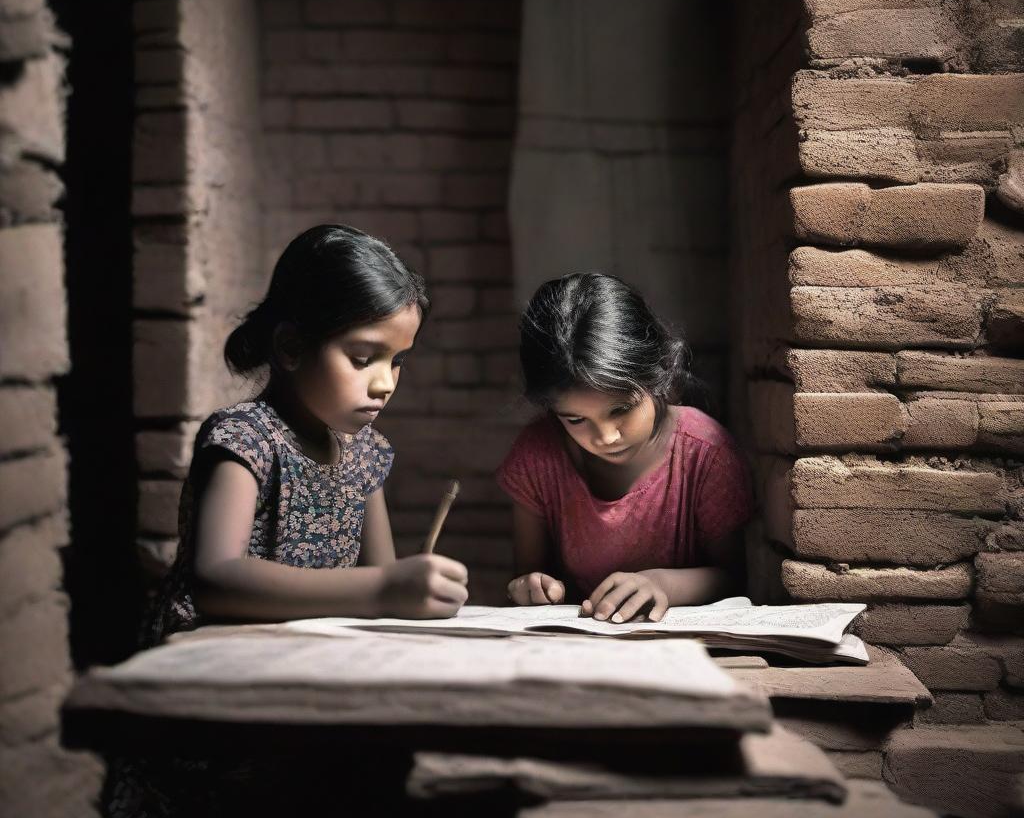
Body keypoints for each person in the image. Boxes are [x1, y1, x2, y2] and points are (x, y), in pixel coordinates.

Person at [144, 223, 469, 646]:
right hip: (212, 653)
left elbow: (379, 578)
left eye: (397, 361)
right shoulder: (245, 440)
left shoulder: (364, 453)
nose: (385, 383)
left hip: (307, 652)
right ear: (291, 347)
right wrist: (384, 589)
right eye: (363, 358)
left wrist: (411, 592)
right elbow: (216, 577)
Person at [497, 272, 753, 624]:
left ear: (657, 375)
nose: (606, 437)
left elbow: (737, 578)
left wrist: (661, 584)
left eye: (621, 410)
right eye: (575, 420)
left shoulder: (706, 453)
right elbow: (527, 577)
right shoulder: (537, 457)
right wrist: (533, 587)